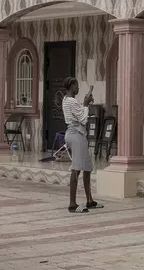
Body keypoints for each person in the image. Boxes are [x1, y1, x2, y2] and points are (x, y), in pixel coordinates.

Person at [61, 77, 104, 213]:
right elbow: (83, 119)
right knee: (77, 169)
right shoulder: (71, 101)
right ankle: (72, 204)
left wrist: (86, 104)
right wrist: (85, 104)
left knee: (86, 168)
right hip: (75, 135)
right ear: (72, 86)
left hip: (77, 134)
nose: (78, 88)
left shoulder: (66, 100)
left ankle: (89, 200)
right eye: (77, 86)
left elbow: (80, 112)